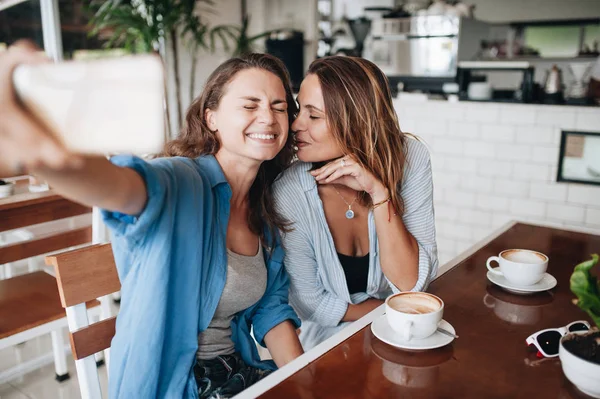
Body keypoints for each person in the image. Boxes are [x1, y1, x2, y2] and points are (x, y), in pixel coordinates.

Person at [0, 42, 304, 398]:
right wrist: (43, 155)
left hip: (232, 375)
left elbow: (271, 309)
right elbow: (120, 186)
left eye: (278, 106)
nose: (268, 117)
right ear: (211, 118)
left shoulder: (265, 213)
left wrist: (305, 379)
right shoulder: (183, 181)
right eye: (250, 105)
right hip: (169, 386)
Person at [273, 56, 438, 350]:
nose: (295, 125)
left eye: (314, 116)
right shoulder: (289, 191)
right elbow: (313, 305)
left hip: (403, 332)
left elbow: (410, 284)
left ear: (356, 120)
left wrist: (379, 194)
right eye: (300, 110)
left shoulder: (410, 158)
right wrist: (390, 310)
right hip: (330, 341)